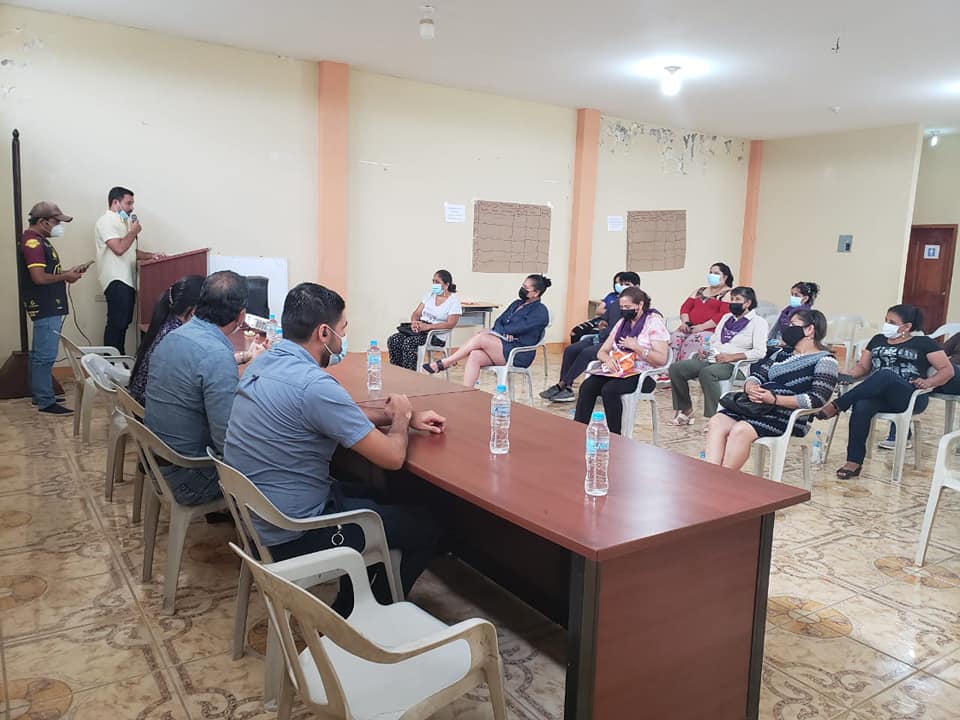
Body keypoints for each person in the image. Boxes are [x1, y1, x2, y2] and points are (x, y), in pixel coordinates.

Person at [224, 282, 445, 614]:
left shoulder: (265, 363)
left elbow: (334, 413)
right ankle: (371, 614)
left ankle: (353, 601)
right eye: (343, 329)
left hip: (263, 519)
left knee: (383, 497)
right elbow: (392, 457)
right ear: (324, 333)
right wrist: (401, 418)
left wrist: (398, 416)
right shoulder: (314, 385)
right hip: (295, 534)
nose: (344, 339)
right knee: (427, 526)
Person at [145, 271, 264, 506]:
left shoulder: (173, 336)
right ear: (241, 315)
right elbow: (227, 442)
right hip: (189, 477)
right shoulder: (216, 355)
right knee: (277, 469)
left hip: (156, 461)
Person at [817, 304, 954, 479]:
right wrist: (849, 374)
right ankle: (854, 461)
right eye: (886, 320)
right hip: (879, 396)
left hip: (909, 395)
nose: (887, 325)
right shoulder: (877, 340)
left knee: (885, 374)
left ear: (907, 327)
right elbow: (863, 367)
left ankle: (838, 405)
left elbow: (947, 370)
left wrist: (929, 382)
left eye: (892, 322)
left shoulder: (924, 343)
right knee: (862, 405)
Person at [706, 309, 838, 470]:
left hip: (788, 416)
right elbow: (757, 375)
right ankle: (712, 474)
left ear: (810, 329)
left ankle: (724, 478)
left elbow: (817, 399)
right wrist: (750, 387)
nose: (788, 329)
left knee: (741, 430)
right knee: (717, 421)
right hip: (758, 407)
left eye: (793, 325)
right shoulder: (782, 354)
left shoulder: (825, 360)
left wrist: (775, 399)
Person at [423, 274, 551, 387]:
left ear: (536, 293)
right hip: (504, 345)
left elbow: (519, 328)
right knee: (475, 355)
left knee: (482, 337)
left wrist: (506, 332)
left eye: (526, 288)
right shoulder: (516, 303)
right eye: (522, 285)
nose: (522, 289)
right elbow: (499, 321)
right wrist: (504, 333)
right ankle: (466, 393)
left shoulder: (540, 311)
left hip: (518, 353)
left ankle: (446, 362)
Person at [20, 202, 88, 414]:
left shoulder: (40, 241)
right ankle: (45, 401)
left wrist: (68, 273)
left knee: (39, 354)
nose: (59, 226)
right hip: (46, 304)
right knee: (45, 355)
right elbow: (38, 278)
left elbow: (47, 272)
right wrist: (65, 276)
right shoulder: (33, 243)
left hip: (48, 303)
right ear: (43, 222)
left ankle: (40, 394)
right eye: (57, 222)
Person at [572, 287, 669, 435]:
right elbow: (602, 351)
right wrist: (608, 360)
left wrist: (637, 348)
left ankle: (615, 436)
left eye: (628, 307)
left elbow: (661, 360)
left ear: (640, 304)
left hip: (643, 373)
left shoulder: (653, 323)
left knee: (609, 390)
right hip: (618, 369)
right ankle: (577, 431)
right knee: (587, 386)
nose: (624, 310)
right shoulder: (622, 322)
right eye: (622, 307)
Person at [669, 286, 768, 426]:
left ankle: (714, 417)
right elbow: (714, 339)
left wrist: (731, 357)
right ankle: (686, 409)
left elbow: (760, 352)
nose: (733, 302)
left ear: (747, 303)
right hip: (713, 358)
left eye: (737, 300)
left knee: (707, 373)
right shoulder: (726, 318)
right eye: (732, 299)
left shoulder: (758, 323)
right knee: (676, 368)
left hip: (736, 365)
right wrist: (706, 350)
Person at [541, 272, 641, 403]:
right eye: (620, 284)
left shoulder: (638, 309)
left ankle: (562, 385)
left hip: (616, 344)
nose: (622, 287)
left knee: (587, 353)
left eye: (626, 284)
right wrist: (602, 325)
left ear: (637, 287)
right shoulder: (615, 304)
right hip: (600, 338)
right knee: (571, 349)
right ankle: (567, 388)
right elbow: (603, 321)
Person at [95, 186, 161, 354]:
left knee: (123, 323)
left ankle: (120, 360)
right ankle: (111, 363)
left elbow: (131, 251)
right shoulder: (106, 221)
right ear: (115, 202)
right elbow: (119, 248)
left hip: (127, 279)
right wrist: (133, 232)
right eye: (128, 203)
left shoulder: (123, 222)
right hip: (116, 279)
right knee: (116, 324)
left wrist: (152, 256)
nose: (132, 208)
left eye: (132, 203)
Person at [128, 275, 204, 406]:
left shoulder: (168, 323)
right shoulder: (177, 337)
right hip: (150, 411)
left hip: (139, 404)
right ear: (193, 311)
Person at [386, 270, 462, 370]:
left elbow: (451, 324)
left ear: (447, 284)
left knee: (409, 342)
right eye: (433, 281)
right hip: (421, 329)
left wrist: (429, 327)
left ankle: (410, 375)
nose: (434, 284)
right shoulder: (429, 295)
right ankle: (398, 372)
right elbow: (417, 313)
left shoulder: (454, 301)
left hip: (435, 334)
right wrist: (414, 322)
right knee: (394, 340)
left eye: (437, 282)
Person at [669, 262, 734, 361]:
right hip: (690, 327)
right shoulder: (699, 291)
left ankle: (683, 367)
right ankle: (670, 366)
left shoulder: (728, 293)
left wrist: (701, 327)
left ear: (725, 277)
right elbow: (685, 307)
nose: (712, 275)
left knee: (693, 341)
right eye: (710, 272)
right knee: (675, 337)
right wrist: (686, 323)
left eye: (716, 273)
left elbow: (723, 315)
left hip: (709, 331)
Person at [569, 271, 639, 344]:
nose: (619, 286)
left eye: (625, 284)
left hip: (611, 324)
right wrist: (610, 312)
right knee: (576, 332)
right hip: (602, 319)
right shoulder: (611, 295)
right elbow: (598, 310)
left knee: (592, 333)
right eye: (617, 283)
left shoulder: (631, 300)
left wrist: (611, 313)